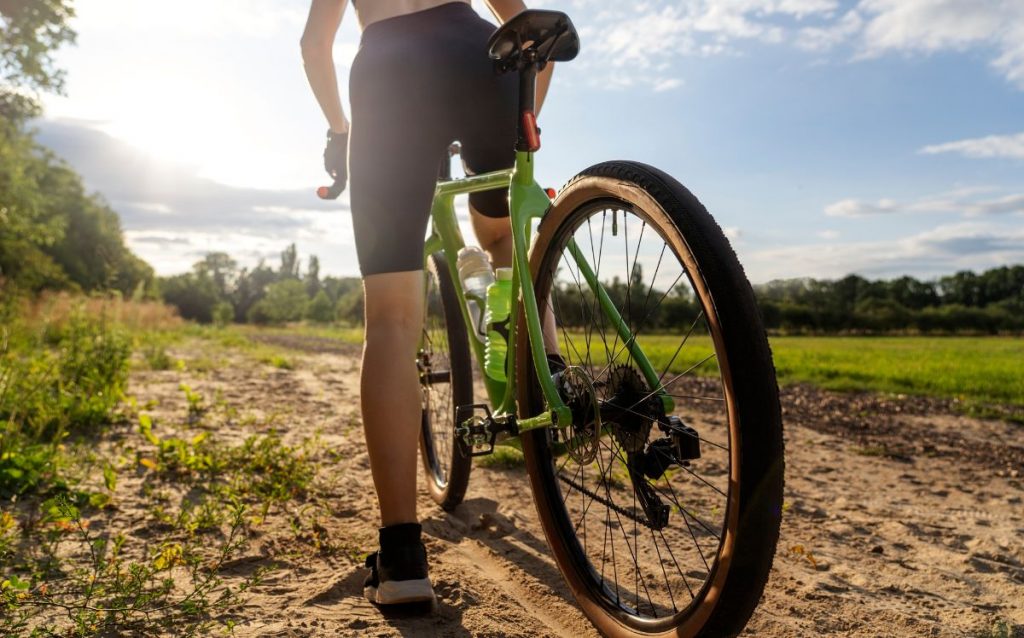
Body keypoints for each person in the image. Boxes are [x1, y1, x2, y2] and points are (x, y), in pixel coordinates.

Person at [300, 0, 554, 607]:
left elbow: (314, 46)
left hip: (388, 74)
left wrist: (340, 131)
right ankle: (543, 370)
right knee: (502, 236)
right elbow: (523, 23)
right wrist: (522, 121)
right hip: (479, 55)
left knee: (392, 320)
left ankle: (402, 561)